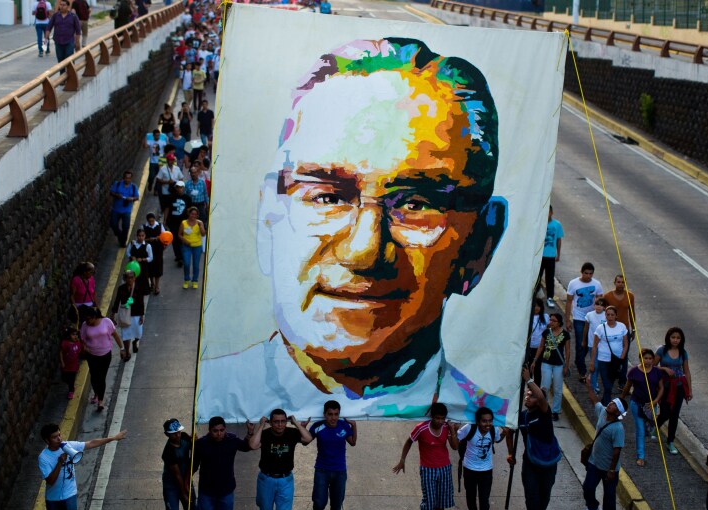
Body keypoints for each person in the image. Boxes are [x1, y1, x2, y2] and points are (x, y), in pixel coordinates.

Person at [197, 38, 509, 422]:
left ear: (480, 247)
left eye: (415, 204)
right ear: (267, 220)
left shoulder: (492, 419)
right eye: (328, 197)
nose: (363, 250)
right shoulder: (210, 395)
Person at [39, 423, 127, 510]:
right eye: (55, 437)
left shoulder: (68, 446)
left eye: (59, 435)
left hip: (70, 495)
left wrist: (113, 438)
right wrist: (59, 463)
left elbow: (91, 443)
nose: (59, 439)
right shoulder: (43, 457)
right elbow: (50, 481)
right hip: (53, 499)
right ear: (47, 440)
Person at [507, 366, 562, 510]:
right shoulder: (521, 417)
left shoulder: (544, 412)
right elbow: (509, 431)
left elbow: (541, 397)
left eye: (531, 396)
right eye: (526, 394)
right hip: (530, 463)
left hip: (548, 462)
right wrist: (510, 453)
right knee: (532, 497)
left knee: (544, 495)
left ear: (538, 401)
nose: (527, 397)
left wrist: (529, 380)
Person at [392, 403, 459, 510]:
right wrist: (402, 460)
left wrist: (453, 430)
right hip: (427, 469)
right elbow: (409, 442)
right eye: (437, 418)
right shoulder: (421, 428)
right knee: (429, 501)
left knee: (442, 502)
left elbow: (454, 447)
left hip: (445, 469)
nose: (440, 421)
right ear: (432, 417)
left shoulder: (446, 427)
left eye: (442, 418)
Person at [247, 409, 314, 510]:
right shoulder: (265, 434)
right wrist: (261, 425)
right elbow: (253, 445)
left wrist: (296, 423)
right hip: (266, 479)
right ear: (271, 422)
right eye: (276, 422)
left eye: (283, 421)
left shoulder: (292, 432)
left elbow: (308, 438)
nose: (280, 425)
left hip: (286, 481)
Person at [193, 417, 255, 510]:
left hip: (226, 491)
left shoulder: (232, 440)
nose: (219, 434)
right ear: (209, 430)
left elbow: (246, 446)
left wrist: (250, 432)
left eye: (222, 430)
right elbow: (193, 465)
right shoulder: (201, 444)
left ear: (225, 429)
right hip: (207, 490)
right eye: (215, 431)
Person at [303, 400, 357, 510]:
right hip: (322, 470)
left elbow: (352, 442)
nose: (333, 418)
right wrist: (302, 428)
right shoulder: (317, 426)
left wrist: (354, 426)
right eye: (330, 414)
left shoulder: (343, 426)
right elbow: (305, 442)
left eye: (336, 414)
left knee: (336, 505)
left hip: (340, 472)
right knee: (319, 503)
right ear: (324, 414)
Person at [581, 375, 626, 510]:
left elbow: (617, 451)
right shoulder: (602, 412)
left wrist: (612, 470)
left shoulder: (618, 429)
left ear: (617, 411)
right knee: (588, 487)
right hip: (594, 462)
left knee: (609, 494)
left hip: (609, 468)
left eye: (613, 404)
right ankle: (592, 506)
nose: (610, 404)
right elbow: (594, 399)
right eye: (611, 402)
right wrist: (589, 384)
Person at [456, 406, 507, 510]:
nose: (488, 424)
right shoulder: (469, 428)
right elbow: (456, 439)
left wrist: (504, 434)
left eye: (490, 421)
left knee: (484, 500)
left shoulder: (494, 429)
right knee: (471, 498)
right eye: (484, 421)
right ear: (478, 422)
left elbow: (497, 439)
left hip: (486, 471)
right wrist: (452, 429)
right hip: (469, 470)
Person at [618, 349, 664, 467]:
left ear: (653, 360)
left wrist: (655, 401)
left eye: (650, 358)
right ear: (640, 359)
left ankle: (643, 443)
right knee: (640, 430)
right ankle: (640, 456)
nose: (648, 361)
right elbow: (627, 386)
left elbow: (661, 388)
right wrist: (620, 400)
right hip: (637, 404)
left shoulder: (657, 372)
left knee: (648, 429)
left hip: (651, 405)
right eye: (645, 358)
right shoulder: (634, 371)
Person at [79, 306, 124, 412]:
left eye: (89, 319)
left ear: (95, 317)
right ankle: (96, 393)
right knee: (94, 377)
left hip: (105, 354)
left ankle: (100, 400)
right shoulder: (85, 325)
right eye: (86, 319)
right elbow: (82, 339)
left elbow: (115, 335)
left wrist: (122, 348)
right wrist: (85, 348)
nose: (87, 321)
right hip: (92, 355)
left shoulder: (106, 322)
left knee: (101, 377)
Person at [654, 326, 692, 455]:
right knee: (665, 413)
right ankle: (655, 426)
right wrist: (664, 369)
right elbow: (652, 366)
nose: (675, 340)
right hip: (664, 386)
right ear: (668, 338)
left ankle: (670, 441)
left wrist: (689, 390)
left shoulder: (683, 352)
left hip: (679, 386)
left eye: (678, 338)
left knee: (675, 415)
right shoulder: (662, 350)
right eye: (673, 337)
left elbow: (687, 371)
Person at [565, 262, 604, 380]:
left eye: (590, 274)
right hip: (579, 317)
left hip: (592, 318)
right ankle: (582, 370)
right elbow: (569, 302)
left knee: (588, 343)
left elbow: (601, 301)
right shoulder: (573, 283)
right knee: (580, 342)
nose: (588, 276)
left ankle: (579, 360)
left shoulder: (597, 284)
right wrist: (567, 320)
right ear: (581, 272)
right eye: (586, 273)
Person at [162, 419, 197, 510]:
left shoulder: (184, 437)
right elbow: (177, 475)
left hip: (186, 479)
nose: (177, 436)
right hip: (171, 485)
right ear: (167, 434)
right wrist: (183, 493)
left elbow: (194, 450)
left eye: (178, 432)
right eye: (173, 434)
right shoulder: (168, 452)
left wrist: (195, 441)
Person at [532, 312, 570, 421]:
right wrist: (535, 360)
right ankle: (544, 408)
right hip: (546, 363)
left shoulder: (565, 334)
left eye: (554, 320)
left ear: (559, 322)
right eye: (550, 320)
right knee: (545, 387)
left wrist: (566, 366)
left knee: (558, 389)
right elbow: (541, 346)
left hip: (559, 365)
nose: (551, 322)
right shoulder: (546, 332)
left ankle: (555, 411)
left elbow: (567, 351)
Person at [602, 275, 636, 387]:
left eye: (622, 282)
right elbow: (603, 313)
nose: (620, 284)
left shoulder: (630, 296)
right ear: (614, 283)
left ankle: (622, 382)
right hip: (611, 330)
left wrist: (633, 329)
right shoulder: (607, 296)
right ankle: (610, 377)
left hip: (625, 331)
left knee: (624, 356)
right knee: (610, 354)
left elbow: (632, 313)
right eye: (618, 282)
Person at [590, 306, 628, 405]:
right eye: (608, 315)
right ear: (605, 316)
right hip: (603, 360)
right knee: (607, 385)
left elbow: (625, 344)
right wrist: (592, 363)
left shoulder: (622, 326)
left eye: (612, 315)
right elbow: (594, 346)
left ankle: (604, 403)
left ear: (616, 316)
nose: (610, 317)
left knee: (610, 384)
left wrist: (622, 358)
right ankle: (608, 406)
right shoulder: (600, 328)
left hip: (616, 361)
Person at [112, 270, 144, 360]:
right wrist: (113, 314)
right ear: (124, 279)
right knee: (126, 334)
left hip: (136, 313)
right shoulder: (121, 288)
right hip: (125, 315)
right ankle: (127, 352)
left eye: (131, 277)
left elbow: (141, 302)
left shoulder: (138, 287)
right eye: (127, 278)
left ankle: (135, 342)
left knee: (138, 333)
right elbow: (117, 301)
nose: (129, 280)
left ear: (134, 278)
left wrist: (142, 315)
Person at [537, 205, 563, 308]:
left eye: (548, 212)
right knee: (537, 276)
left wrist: (558, 254)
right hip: (539, 256)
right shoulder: (539, 223)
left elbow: (558, 240)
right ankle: (535, 294)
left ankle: (550, 297)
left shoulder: (557, 224)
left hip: (550, 256)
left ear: (551, 212)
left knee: (550, 277)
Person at [44, 0, 81, 68]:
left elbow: (78, 31)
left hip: (69, 41)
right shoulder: (55, 16)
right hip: (58, 41)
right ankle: (62, 73)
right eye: (60, 5)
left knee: (69, 59)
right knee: (60, 61)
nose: (61, 6)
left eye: (64, 5)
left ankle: (71, 73)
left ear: (68, 6)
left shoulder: (73, 16)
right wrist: (46, 39)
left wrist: (77, 42)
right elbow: (49, 27)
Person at [582, 298, 607, 394]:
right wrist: (584, 340)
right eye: (597, 304)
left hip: (603, 345)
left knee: (601, 366)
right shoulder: (589, 315)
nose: (599, 307)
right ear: (594, 305)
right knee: (594, 365)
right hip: (592, 344)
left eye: (601, 305)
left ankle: (593, 380)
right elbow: (586, 328)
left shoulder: (606, 315)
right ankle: (593, 387)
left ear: (604, 307)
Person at [109, 170, 139, 247]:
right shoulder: (118, 184)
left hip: (126, 210)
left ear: (131, 179)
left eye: (129, 178)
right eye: (126, 178)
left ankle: (123, 242)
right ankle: (120, 235)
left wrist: (131, 198)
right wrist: (117, 195)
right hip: (116, 209)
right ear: (123, 178)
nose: (127, 180)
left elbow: (136, 197)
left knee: (126, 227)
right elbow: (111, 192)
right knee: (113, 224)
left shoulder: (133, 187)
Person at [180, 207, 206, 289]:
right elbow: (179, 234)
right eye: (192, 214)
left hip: (197, 246)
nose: (193, 216)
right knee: (186, 263)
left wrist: (201, 226)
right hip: (186, 246)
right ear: (189, 214)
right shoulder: (183, 223)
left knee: (196, 265)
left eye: (195, 214)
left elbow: (203, 234)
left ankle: (195, 281)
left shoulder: (200, 223)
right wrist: (184, 240)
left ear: (197, 215)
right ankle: (186, 280)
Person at [143, 213, 166, 295]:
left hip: (158, 249)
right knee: (150, 267)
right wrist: (148, 239)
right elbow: (141, 238)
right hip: (148, 250)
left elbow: (164, 236)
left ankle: (157, 286)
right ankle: (152, 283)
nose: (151, 223)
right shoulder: (144, 227)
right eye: (150, 221)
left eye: (152, 221)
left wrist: (157, 238)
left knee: (158, 267)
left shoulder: (159, 226)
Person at [126, 228, 153, 297]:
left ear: (145, 236)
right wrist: (131, 257)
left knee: (142, 284)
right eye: (139, 236)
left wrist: (142, 259)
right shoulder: (132, 243)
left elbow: (151, 258)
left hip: (143, 268)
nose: (141, 238)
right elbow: (127, 252)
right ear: (137, 236)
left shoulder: (147, 246)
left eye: (142, 236)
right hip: (133, 267)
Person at [157, 153, 185, 219]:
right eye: (170, 160)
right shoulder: (163, 169)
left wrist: (178, 184)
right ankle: (165, 218)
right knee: (166, 206)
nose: (171, 161)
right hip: (166, 192)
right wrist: (167, 182)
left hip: (175, 191)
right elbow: (158, 179)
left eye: (172, 160)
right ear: (167, 160)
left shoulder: (177, 168)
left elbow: (181, 178)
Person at [527, 298, 548, 378]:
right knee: (528, 368)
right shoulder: (527, 317)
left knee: (538, 368)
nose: (536, 308)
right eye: (534, 306)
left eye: (538, 306)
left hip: (540, 348)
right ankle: (528, 384)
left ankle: (536, 385)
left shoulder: (546, 317)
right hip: (528, 347)